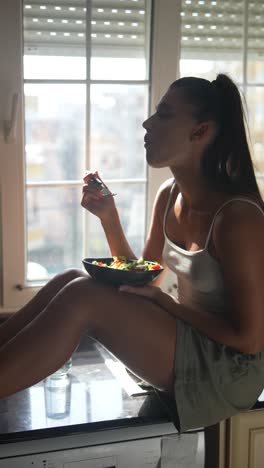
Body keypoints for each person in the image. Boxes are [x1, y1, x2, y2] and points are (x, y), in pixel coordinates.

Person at [0, 73, 264, 433]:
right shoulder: (169, 195)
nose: (147, 123)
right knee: (73, 278)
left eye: (165, 115)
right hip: (186, 339)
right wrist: (110, 219)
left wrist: (167, 304)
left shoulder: (238, 218)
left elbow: (249, 340)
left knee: (84, 296)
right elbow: (144, 280)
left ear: (200, 132)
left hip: (229, 368)